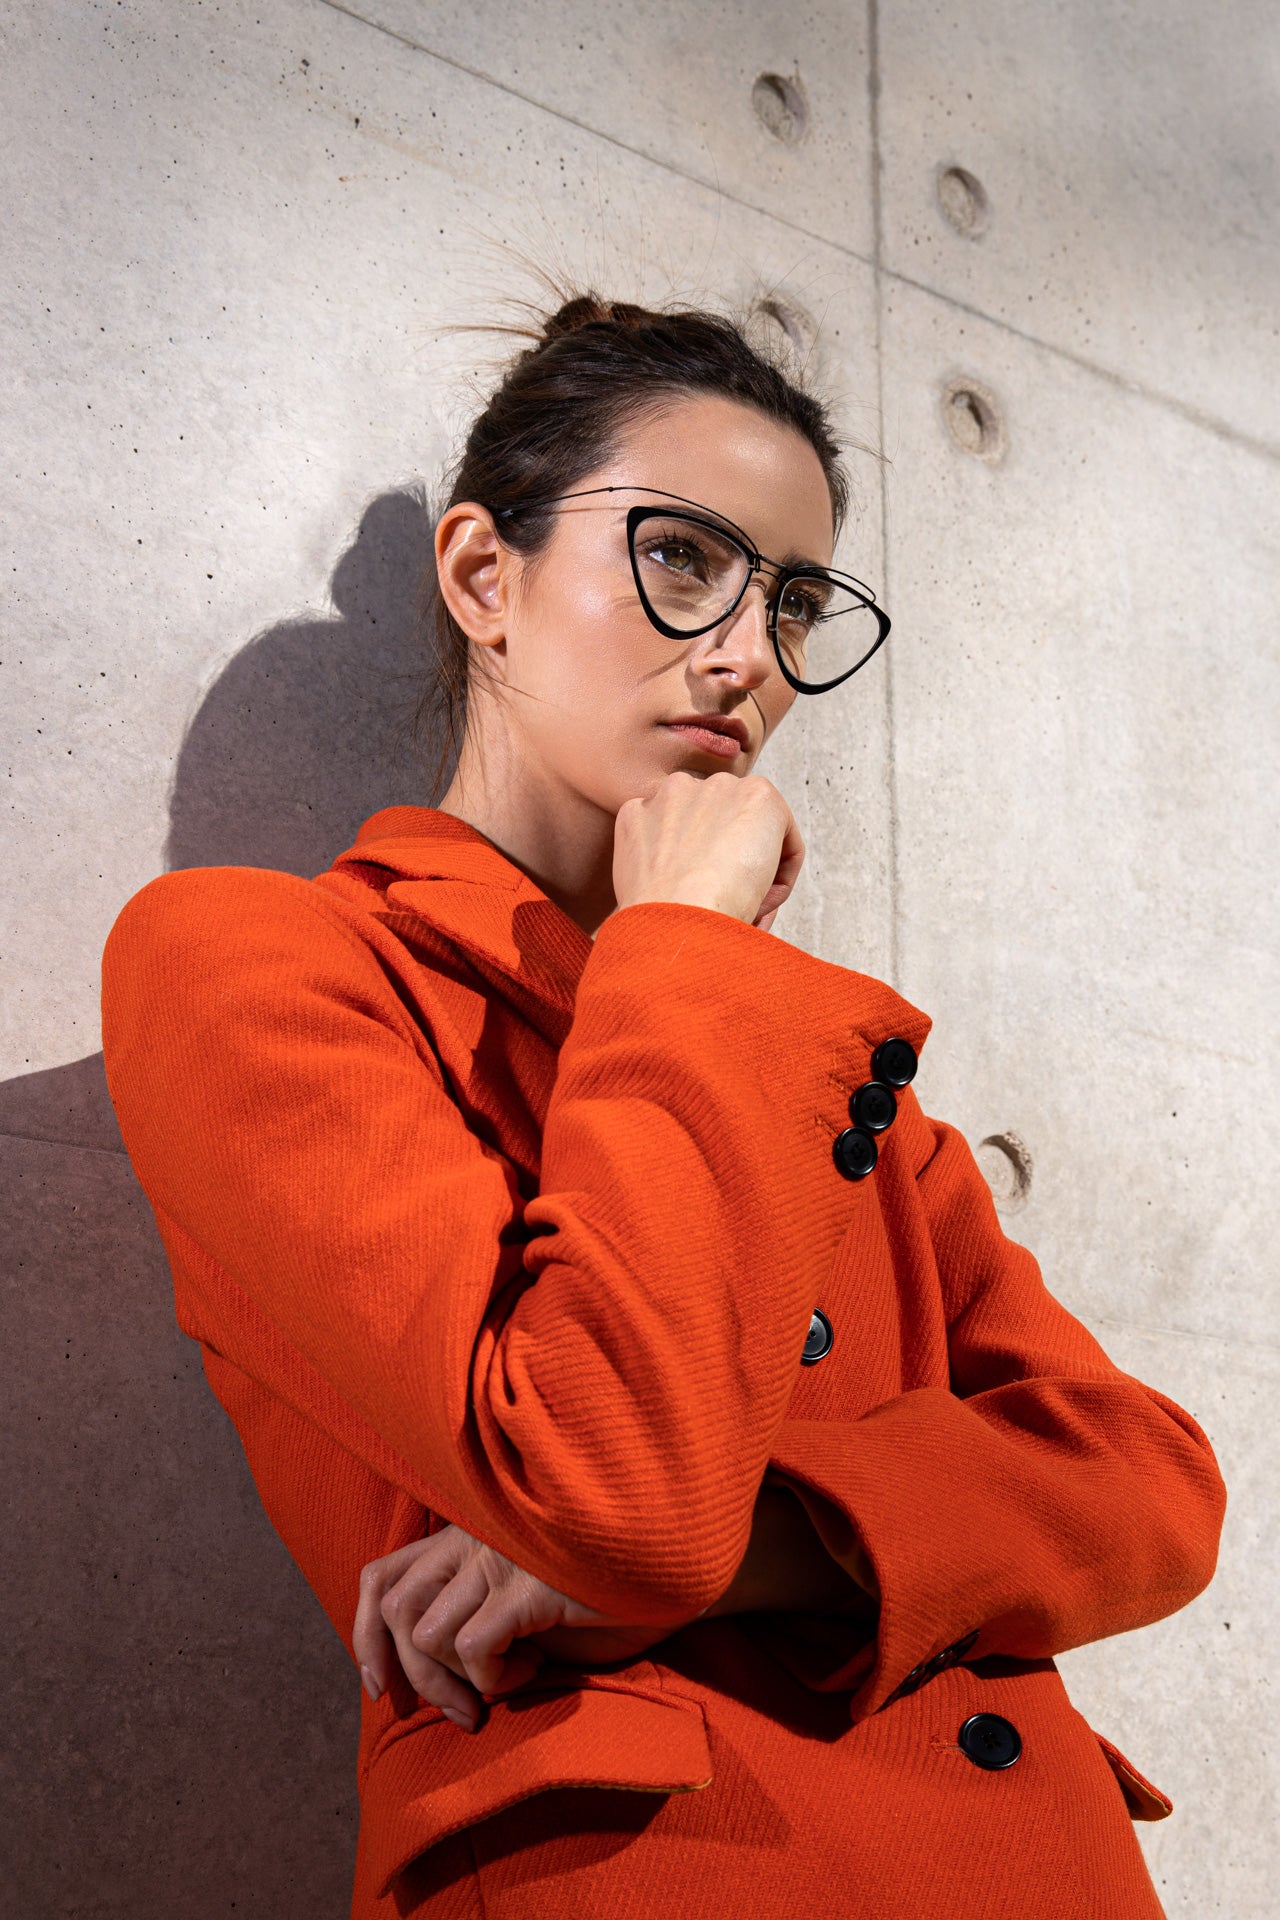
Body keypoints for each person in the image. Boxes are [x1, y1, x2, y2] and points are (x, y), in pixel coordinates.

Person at [101, 293, 1226, 1920]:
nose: (749, 658)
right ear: (485, 578)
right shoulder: (260, 964)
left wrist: (781, 1543)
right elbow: (615, 1492)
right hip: (645, 1870)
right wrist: (687, 944)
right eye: (683, 559)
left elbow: (1152, 1483)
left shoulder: (820, 1069)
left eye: (795, 602)